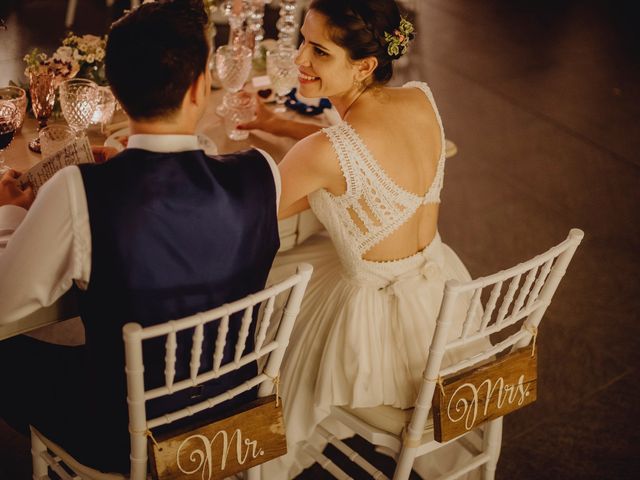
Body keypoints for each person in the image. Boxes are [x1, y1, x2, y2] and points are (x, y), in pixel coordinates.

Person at [0, 0, 281, 474]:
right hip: (230, 416)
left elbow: (7, 302)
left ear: (116, 93)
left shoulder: (79, 189)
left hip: (122, 437)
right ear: (199, 89)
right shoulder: (262, 174)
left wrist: (11, 210)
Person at [245, 0, 486, 477]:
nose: (300, 61)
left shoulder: (321, 153)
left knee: (262, 295)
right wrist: (274, 124)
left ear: (365, 65)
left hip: (377, 339)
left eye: (319, 51)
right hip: (443, 309)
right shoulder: (420, 99)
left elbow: (251, 216)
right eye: (303, 44)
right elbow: (354, 145)